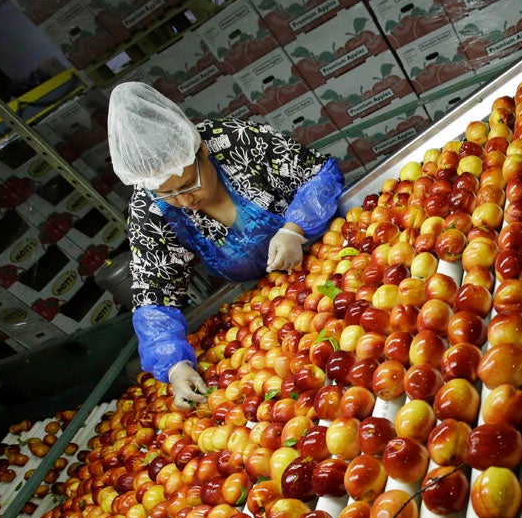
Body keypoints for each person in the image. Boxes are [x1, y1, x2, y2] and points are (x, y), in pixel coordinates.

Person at [107, 82, 344, 406]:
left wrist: (294, 229)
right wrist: (174, 364)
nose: (184, 199)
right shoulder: (150, 208)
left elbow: (320, 175)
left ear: (202, 150)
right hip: (273, 305)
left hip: (333, 257)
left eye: (189, 183)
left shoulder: (235, 143)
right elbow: (153, 292)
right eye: (168, 194)